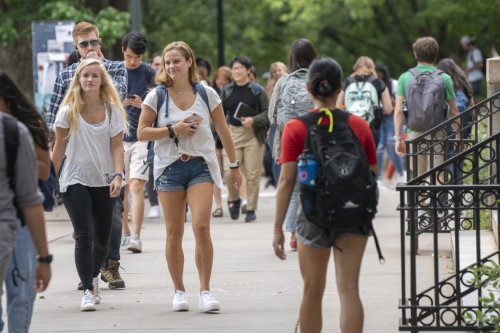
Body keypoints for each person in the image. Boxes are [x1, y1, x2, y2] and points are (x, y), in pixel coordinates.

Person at [273, 57, 377, 333]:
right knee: (349, 290)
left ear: (308, 89)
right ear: (340, 88)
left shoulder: (296, 128)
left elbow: (286, 181)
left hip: (313, 215)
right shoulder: (359, 125)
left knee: (312, 291)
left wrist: (278, 228)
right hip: (353, 213)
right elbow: (371, 172)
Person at [137, 41, 242, 312]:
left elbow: (224, 130)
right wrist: (174, 129)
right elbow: (142, 133)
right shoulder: (156, 96)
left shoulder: (207, 94)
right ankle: (179, 291)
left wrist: (234, 165)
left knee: (202, 227)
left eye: (177, 61)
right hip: (169, 168)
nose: (171, 66)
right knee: (174, 232)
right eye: (168, 62)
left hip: (201, 166)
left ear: (189, 63)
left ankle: (205, 291)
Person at [44, 21, 128, 292]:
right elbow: (52, 118)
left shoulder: (114, 69)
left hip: (106, 168)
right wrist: (47, 180)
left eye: (94, 42)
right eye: (84, 44)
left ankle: (109, 265)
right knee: (84, 234)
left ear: (100, 42)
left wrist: (99, 69)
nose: (90, 48)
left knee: (108, 225)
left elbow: (119, 98)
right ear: (76, 47)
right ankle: (88, 285)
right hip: (74, 169)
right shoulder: (67, 76)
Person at [0, 71, 52, 333]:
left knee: (21, 292)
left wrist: (15, 156)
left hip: (19, 221)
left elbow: (43, 171)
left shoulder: (25, 127)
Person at [268, 39, 317, 250]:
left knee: (293, 188)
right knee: (315, 186)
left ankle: (294, 234)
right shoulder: (318, 78)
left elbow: (272, 116)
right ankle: (315, 229)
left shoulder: (283, 81)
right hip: (316, 140)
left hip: (291, 140)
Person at [394, 37, 459, 179]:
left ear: (415, 54)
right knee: (439, 175)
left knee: (418, 178)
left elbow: (398, 111)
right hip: (438, 132)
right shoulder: (445, 78)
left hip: (414, 132)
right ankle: (438, 201)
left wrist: (398, 138)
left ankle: (419, 202)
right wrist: (458, 136)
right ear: (435, 54)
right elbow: (454, 111)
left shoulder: (405, 77)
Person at [119, 32, 156, 254]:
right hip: (118, 138)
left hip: (142, 136)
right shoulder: (114, 71)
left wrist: (145, 105)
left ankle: (136, 236)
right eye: (130, 56)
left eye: (138, 57)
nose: (133, 61)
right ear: (123, 50)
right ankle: (124, 232)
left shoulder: (150, 72)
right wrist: (119, 103)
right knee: (120, 188)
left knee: (136, 185)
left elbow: (160, 100)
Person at [221, 55, 270, 222]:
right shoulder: (227, 91)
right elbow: (219, 113)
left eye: (240, 68)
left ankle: (251, 208)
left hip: (253, 136)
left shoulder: (258, 90)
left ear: (248, 71)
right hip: (233, 134)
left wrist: (254, 120)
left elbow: (268, 113)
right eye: (234, 68)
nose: (236, 71)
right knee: (229, 172)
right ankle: (234, 200)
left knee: (253, 173)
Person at [336, 56, 393, 144]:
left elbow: (337, 107)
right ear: (372, 67)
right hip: (371, 128)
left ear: (356, 67)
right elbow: (388, 109)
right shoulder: (378, 83)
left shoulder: (347, 82)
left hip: (350, 126)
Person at [374, 63, 406, 187]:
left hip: (391, 116)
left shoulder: (393, 84)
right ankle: (378, 179)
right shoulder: (374, 83)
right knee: (380, 148)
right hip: (378, 117)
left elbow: (401, 101)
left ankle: (401, 172)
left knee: (391, 143)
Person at [210, 66, 233, 218]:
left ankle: (232, 198)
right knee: (216, 171)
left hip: (227, 134)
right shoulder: (210, 93)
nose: (220, 83)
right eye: (218, 80)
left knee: (229, 171)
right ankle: (218, 205)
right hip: (213, 137)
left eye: (224, 82)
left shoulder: (231, 93)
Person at [263, 61, 287, 189]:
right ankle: (279, 185)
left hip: (287, 124)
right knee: (275, 158)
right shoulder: (269, 88)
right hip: (274, 125)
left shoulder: (290, 84)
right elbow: (269, 111)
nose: (278, 73)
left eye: (280, 70)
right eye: (275, 71)